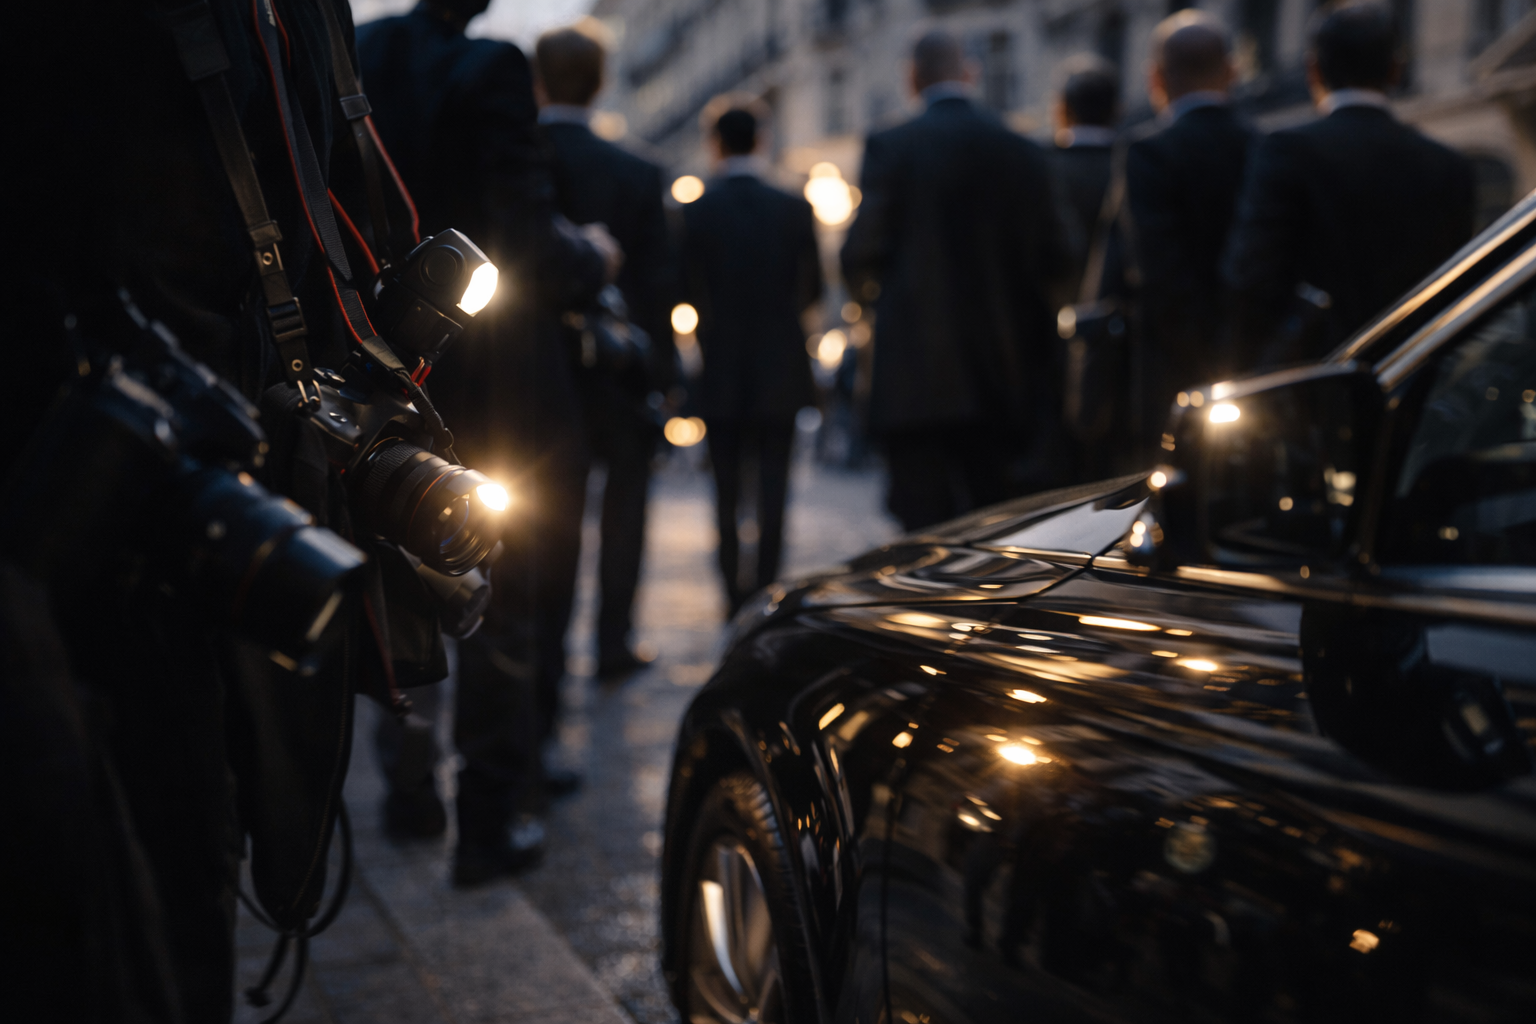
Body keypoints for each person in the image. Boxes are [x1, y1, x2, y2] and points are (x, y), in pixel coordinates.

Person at [3, 0, 425, 1016]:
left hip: (258, 467)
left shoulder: (309, 14)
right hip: (105, 484)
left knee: (234, 828)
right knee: (162, 848)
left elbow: (309, 198)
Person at [357, 0, 616, 885]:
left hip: (381, 363)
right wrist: (597, 256)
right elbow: (527, 239)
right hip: (496, 378)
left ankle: (406, 785)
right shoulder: (493, 70)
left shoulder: (364, 50)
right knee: (498, 587)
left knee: (391, 561)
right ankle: (486, 819)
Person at [841, 30, 1069, 531]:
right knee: (1001, 528)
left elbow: (860, 254)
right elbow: (1058, 257)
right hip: (1005, 377)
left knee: (924, 535)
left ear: (912, 79)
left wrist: (877, 313)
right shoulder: (1023, 151)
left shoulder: (891, 147)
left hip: (915, 382)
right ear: (970, 73)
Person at [534, 23, 674, 680]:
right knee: (625, 514)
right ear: (600, 83)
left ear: (539, 80)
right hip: (622, 372)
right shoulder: (639, 172)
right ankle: (613, 642)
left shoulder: (524, 161)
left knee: (545, 522)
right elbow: (657, 288)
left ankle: (546, 654)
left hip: (543, 370)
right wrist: (665, 380)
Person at [1225, 2, 1474, 367]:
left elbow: (1250, 276)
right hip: (1414, 379)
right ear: (1395, 69)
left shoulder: (1286, 152)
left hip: (1314, 379)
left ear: (1313, 69)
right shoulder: (1448, 166)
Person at [679, 96, 822, 615]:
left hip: (720, 367)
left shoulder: (696, 211)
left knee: (724, 490)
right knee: (775, 488)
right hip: (781, 366)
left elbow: (684, 289)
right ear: (760, 139)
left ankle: (730, 593)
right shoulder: (794, 207)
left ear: (715, 144)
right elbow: (813, 290)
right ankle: (766, 588)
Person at [1126, 10, 1253, 452]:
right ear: (1232, 72)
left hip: (1173, 377)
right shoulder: (1264, 144)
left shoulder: (1149, 153)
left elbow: (1157, 271)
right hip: (1255, 369)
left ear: (1155, 78)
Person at [1051, 55, 1122, 303]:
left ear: (1062, 110)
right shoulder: (1134, 164)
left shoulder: (1044, 167)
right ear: (1116, 110)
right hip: (1117, 317)